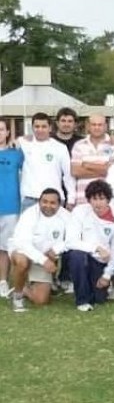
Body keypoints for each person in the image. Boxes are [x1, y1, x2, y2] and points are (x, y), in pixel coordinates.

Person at [64, 180, 114, 311]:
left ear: (108, 199)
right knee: (76, 255)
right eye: (94, 198)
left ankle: (96, 290)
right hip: (84, 256)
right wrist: (96, 248)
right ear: (89, 199)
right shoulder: (79, 212)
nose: (98, 203)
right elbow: (70, 241)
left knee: (99, 299)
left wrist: (107, 275)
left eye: (101, 198)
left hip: (101, 261)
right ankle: (82, 300)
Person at [7, 188, 71, 312]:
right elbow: (22, 243)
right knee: (22, 262)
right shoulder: (29, 214)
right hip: (24, 253)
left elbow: (73, 237)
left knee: (41, 301)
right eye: (44, 201)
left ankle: (25, 288)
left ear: (59, 204)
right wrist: (43, 260)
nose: (48, 205)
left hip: (44, 258)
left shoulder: (66, 216)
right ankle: (18, 296)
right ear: (39, 201)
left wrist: (56, 249)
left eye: (52, 203)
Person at [16, 112, 76, 211]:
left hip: (54, 199)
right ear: (32, 128)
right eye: (37, 126)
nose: (40, 129)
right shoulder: (23, 143)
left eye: (44, 126)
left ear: (50, 128)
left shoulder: (60, 147)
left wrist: (71, 199)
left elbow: (68, 175)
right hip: (30, 199)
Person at [70, 114, 114, 205]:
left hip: (108, 200)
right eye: (94, 125)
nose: (97, 127)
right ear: (88, 126)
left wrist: (87, 165)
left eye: (100, 125)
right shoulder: (79, 145)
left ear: (106, 126)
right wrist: (104, 168)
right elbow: (75, 171)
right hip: (83, 199)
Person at [0, 118, 23, 298]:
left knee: (5, 248)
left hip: (10, 208)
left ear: (8, 132)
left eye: (1, 129)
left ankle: (3, 282)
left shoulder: (17, 154)